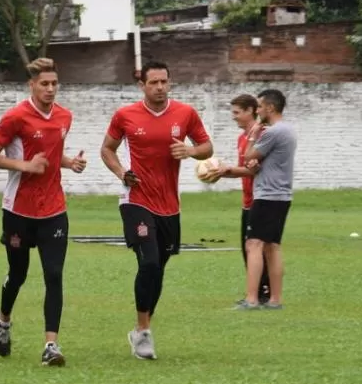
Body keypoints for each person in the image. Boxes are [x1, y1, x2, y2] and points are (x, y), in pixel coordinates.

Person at [100, 61, 212, 360]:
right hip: (135, 199)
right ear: (142, 86)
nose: (160, 87)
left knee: (159, 268)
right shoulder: (125, 115)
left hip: (169, 206)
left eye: (164, 81)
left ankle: (141, 330)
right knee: (148, 263)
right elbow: (107, 150)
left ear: (169, 82)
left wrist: (189, 151)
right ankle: (143, 330)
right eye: (154, 83)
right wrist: (122, 172)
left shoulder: (185, 113)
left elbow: (206, 147)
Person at [0, 57, 85, 367]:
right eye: (45, 84)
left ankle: (51, 345)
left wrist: (69, 163)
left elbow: (51, 154)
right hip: (19, 210)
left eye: (54, 84)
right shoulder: (15, 117)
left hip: (54, 209)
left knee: (54, 275)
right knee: (18, 275)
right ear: (32, 85)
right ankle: (3, 320)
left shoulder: (65, 117)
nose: (51, 89)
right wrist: (24, 165)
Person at [203, 94, 270, 304]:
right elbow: (245, 170)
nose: (234, 117)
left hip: (261, 199)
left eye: (237, 113)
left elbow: (255, 170)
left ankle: (263, 293)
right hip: (247, 201)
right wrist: (221, 172)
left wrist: (228, 170)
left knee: (257, 247)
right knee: (247, 248)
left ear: (251, 111)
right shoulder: (242, 138)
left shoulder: (262, 135)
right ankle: (257, 292)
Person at [235, 88, 297, 311]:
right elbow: (261, 161)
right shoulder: (287, 130)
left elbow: (248, 156)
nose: (258, 110)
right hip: (281, 195)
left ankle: (251, 300)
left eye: (260, 106)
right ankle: (274, 300)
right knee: (272, 247)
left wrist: (253, 135)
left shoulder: (272, 132)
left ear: (270, 107)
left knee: (253, 244)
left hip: (268, 195)